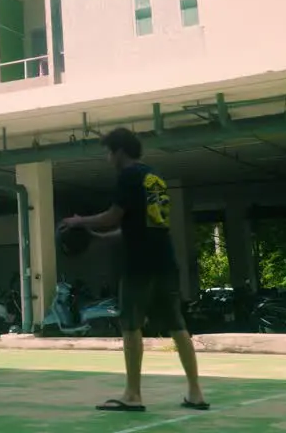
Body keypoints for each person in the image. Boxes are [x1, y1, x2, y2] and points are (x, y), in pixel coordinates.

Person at [58, 126, 209, 413]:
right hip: (164, 261)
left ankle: (133, 394)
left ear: (119, 151)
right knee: (178, 326)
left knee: (130, 325)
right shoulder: (154, 178)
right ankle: (196, 393)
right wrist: (104, 237)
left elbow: (113, 216)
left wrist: (79, 222)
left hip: (139, 264)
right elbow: (141, 224)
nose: (107, 159)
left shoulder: (127, 176)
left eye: (108, 152)